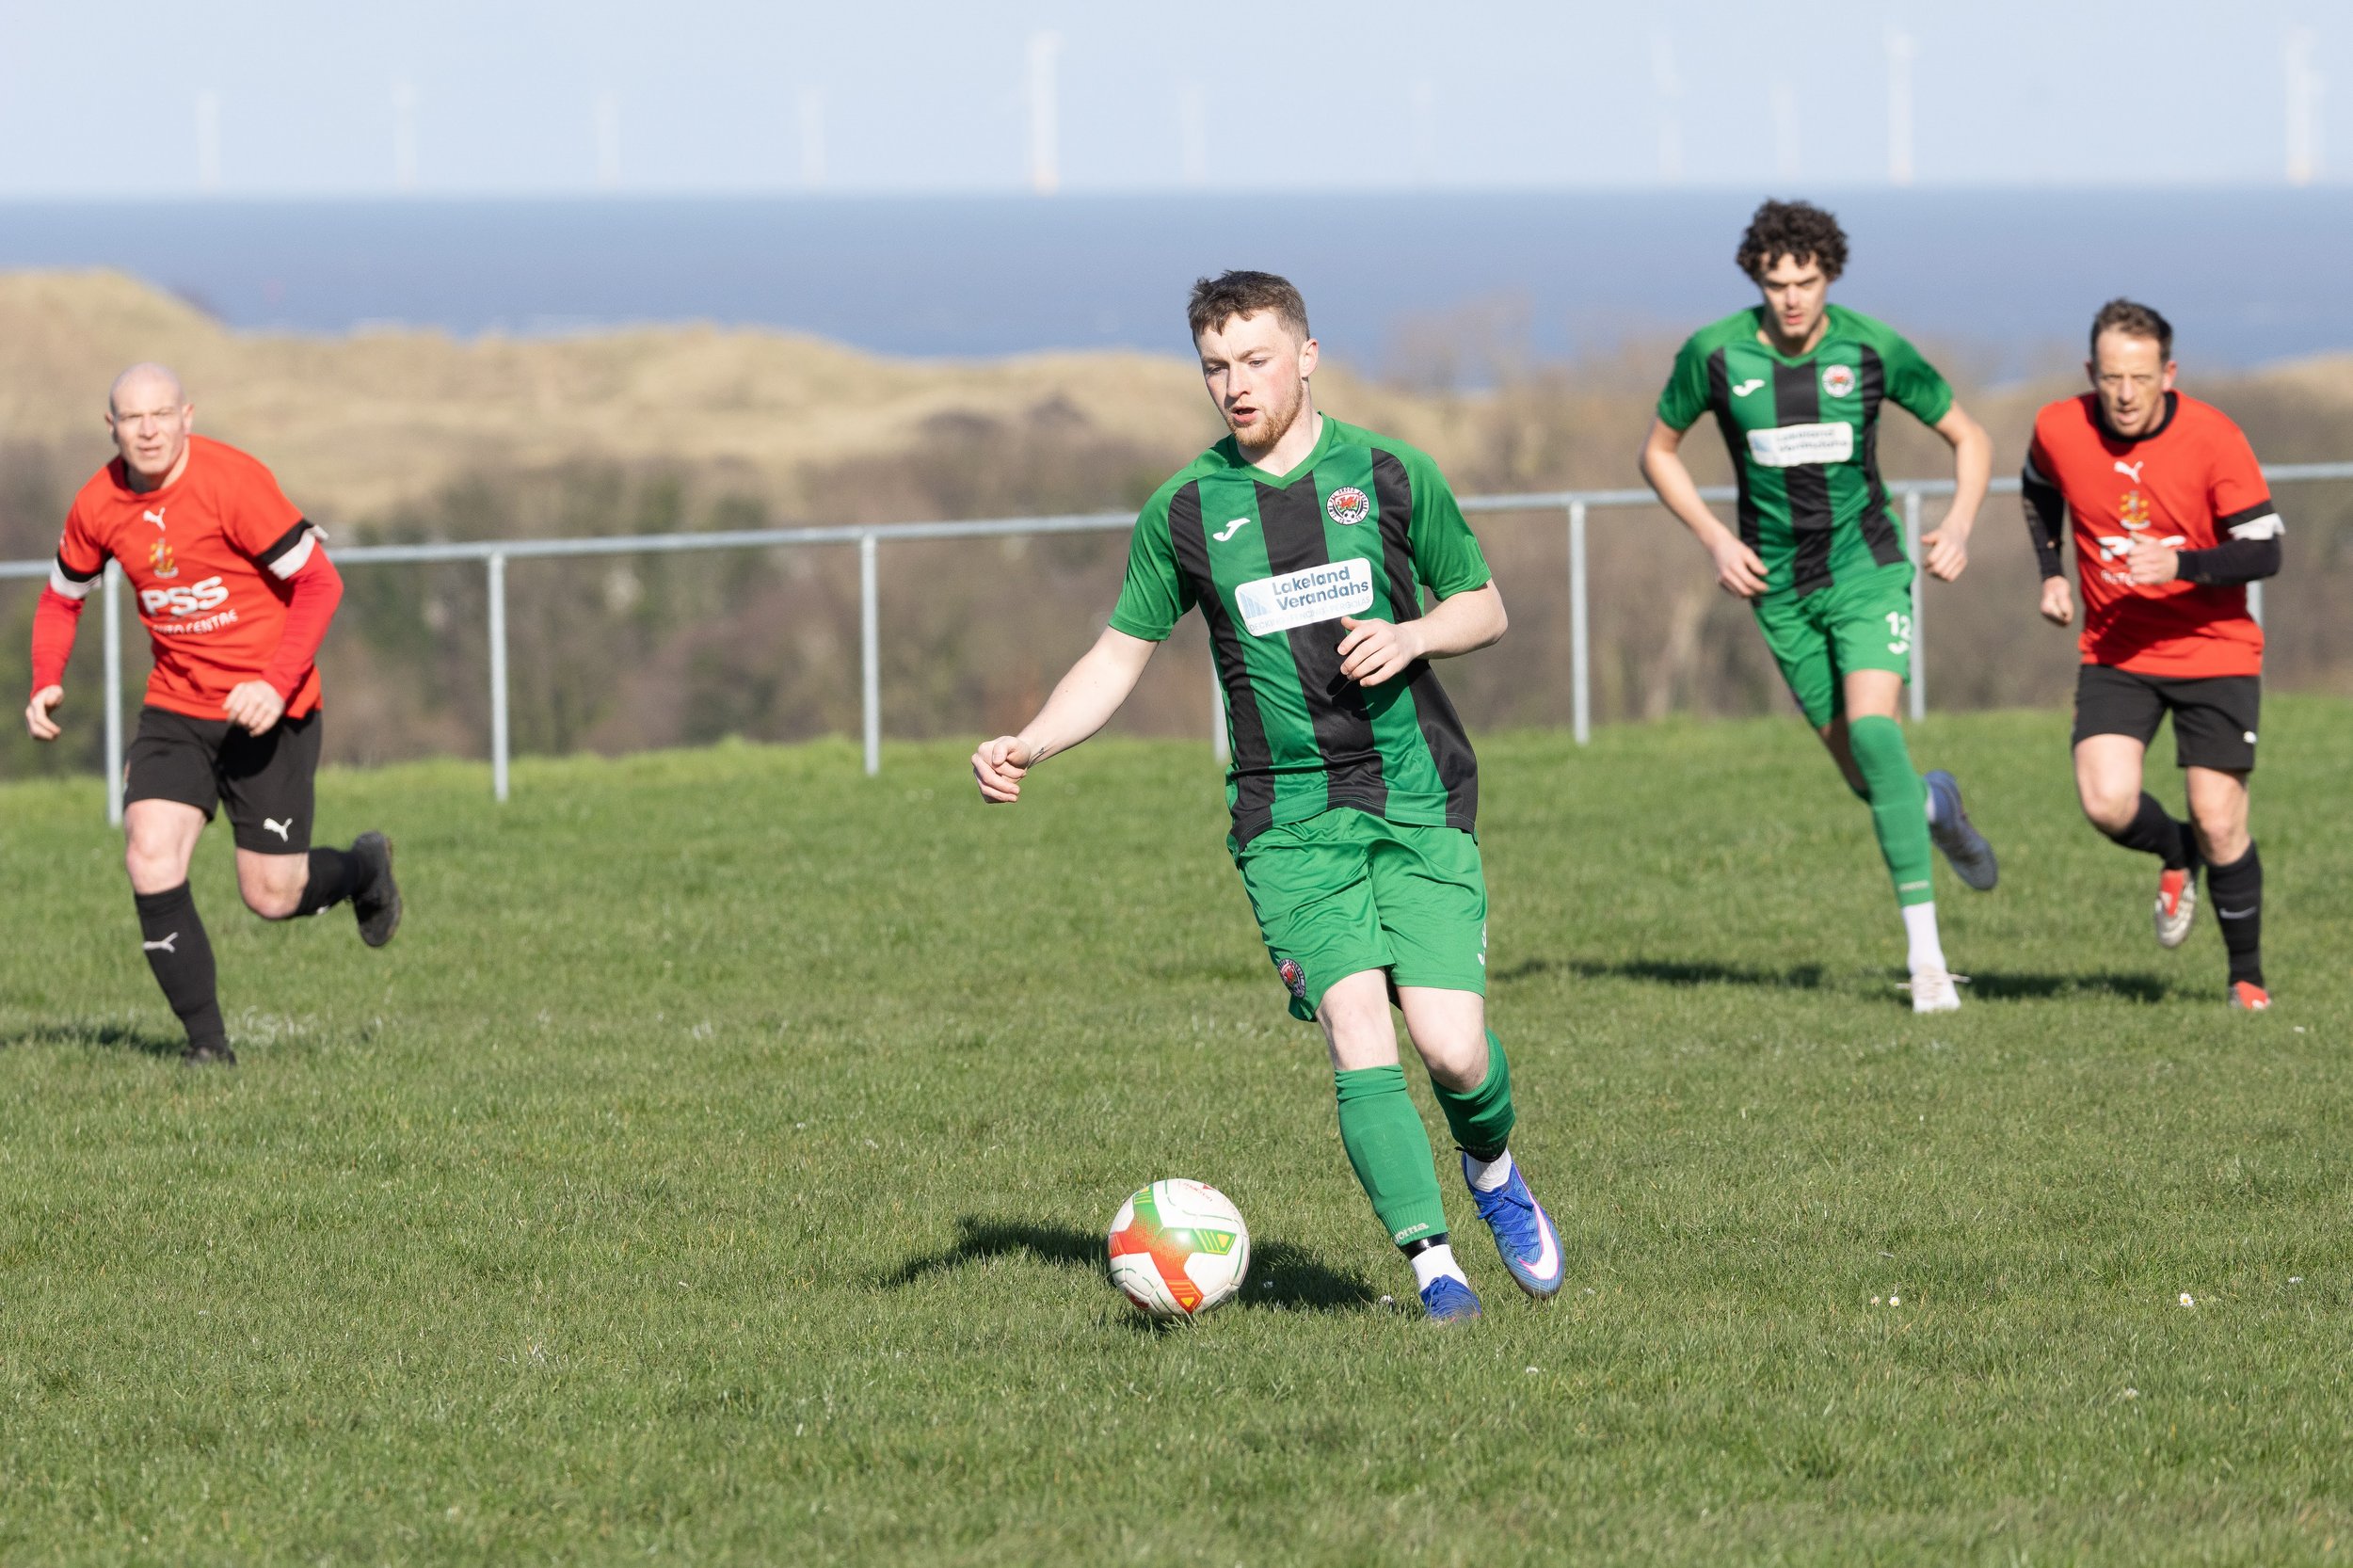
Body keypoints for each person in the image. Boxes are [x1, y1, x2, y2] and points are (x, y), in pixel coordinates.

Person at [971, 271, 1559, 1322]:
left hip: (1415, 798)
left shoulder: (1389, 473)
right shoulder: (1186, 511)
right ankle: (1437, 1273)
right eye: (1214, 367)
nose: (1234, 386)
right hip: (1285, 823)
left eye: (1252, 360)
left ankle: (1492, 1170)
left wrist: (1416, 632)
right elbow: (1117, 654)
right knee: (1353, 1028)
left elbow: (1485, 603)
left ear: (1305, 355)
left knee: (1452, 1046)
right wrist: (1032, 741)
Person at [1639, 199, 1999, 1013]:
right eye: (1777, 284)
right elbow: (1657, 451)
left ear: (1829, 275)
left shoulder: (1871, 348)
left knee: (1876, 733)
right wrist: (1713, 539)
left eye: (1806, 282)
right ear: (1757, 280)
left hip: (1867, 570)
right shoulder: (1716, 354)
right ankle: (1938, 803)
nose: (1793, 299)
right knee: (1871, 777)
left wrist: (1960, 524)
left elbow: (1969, 436)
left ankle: (1929, 966)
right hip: (1782, 591)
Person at [24, 364, 401, 1065]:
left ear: (187, 415)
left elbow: (320, 581)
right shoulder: (97, 503)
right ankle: (208, 1050)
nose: (148, 430)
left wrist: (275, 682)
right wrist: (47, 678)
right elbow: (60, 597)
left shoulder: (233, 483)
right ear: (111, 427)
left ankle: (362, 870)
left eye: (161, 414)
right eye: (132, 418)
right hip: (177, 706)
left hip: (271, 713)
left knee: (271, 894)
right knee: (148, 852)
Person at [2023, 300, 2281, 1011]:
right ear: (2091, 373)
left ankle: (2246, 979)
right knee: (2106, 803)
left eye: (2140, 377)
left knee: (2220, 817)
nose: (2126, 394)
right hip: (2117, 649)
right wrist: (2051, 571)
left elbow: (2266, 550)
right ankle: (2177, 853)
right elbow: (2038, 488)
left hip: (2215, 651)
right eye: (2111, 378)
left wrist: (2182, 567)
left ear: (2168, 372)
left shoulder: (2214, 437)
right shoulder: (2058, 426)